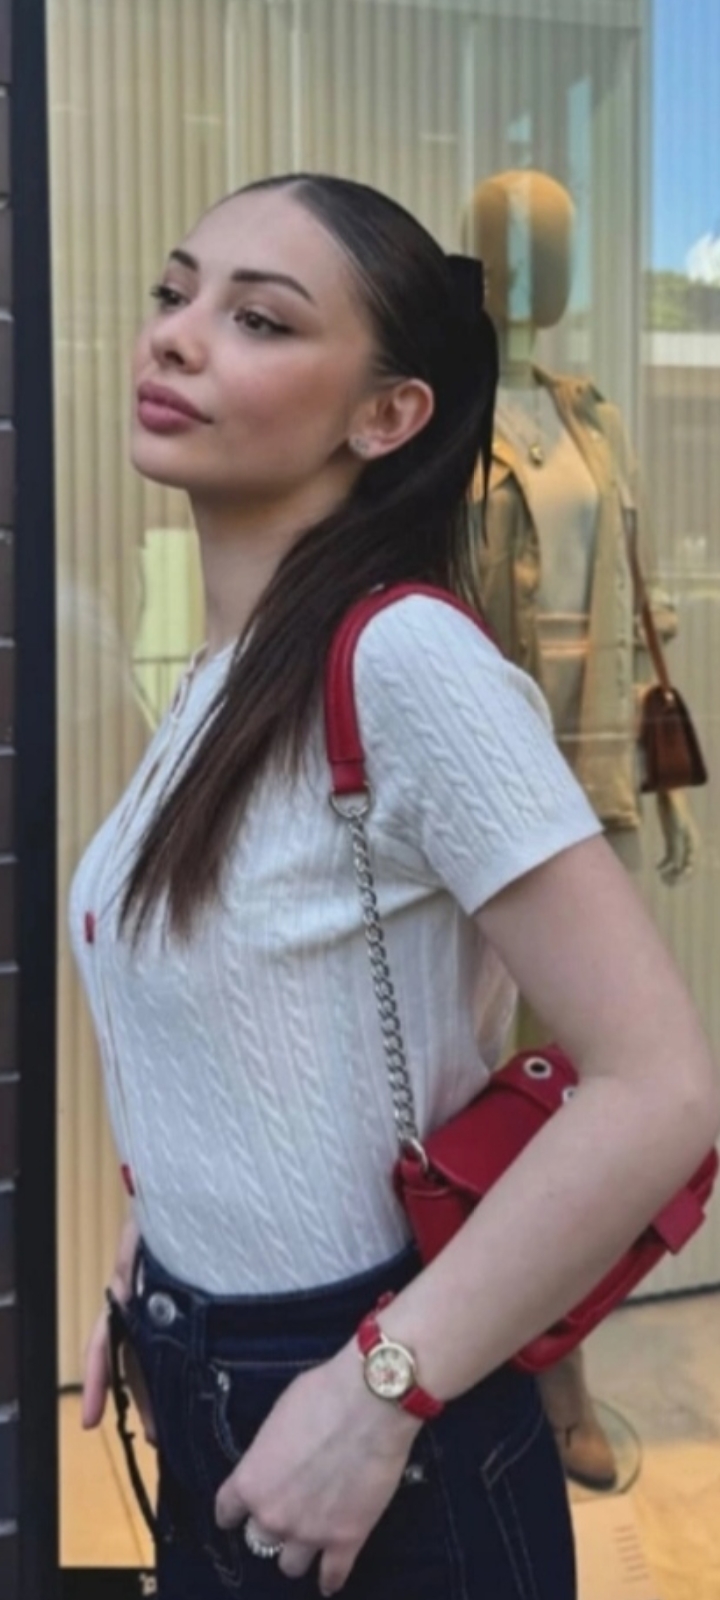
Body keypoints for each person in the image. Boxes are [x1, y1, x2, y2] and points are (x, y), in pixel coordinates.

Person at [75, 174, 719, 1600]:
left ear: (387, 415)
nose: (175, 333)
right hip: (214, 1366)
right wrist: (156, 1247)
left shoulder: (405, 663)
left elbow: (664, 1085)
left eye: (258, 318)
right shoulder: (224, 681)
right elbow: (247, 1031)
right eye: (175, 293)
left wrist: (378, 1393)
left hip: (366, 1404)